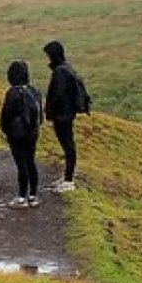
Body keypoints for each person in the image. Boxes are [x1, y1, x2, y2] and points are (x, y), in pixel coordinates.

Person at [43, 40, 86, 192]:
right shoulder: (66, 68)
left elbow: (58, 96)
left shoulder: (60, 72)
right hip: (67, 114)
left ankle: (68, 180)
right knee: (68, 145)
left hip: (62, 115)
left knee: (68, 145)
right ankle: (67, 177)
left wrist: (50, 112)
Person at [0, 60, 43, 208]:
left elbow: (6, 115)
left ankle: (21, 197)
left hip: (17, 134)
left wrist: (6, 130)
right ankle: (33, 196)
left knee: (21, 164)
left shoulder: (12, 92)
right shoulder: (34, 91)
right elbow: (39, 115)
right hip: (32, 132)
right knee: (31, 162)